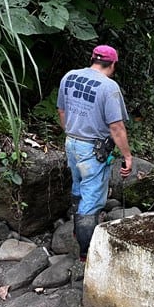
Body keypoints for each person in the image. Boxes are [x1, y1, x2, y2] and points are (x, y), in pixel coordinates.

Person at [57, 45, 133, 260]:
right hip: (93, 148)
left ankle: (76, 229)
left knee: (78, 184)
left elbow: (61, 111)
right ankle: (86, 251)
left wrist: (72, 133)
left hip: (72, 141)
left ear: (92, 58)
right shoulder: (109, 87)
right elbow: (116, 127)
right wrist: (127, 156)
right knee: (91, 198)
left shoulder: (70, 76)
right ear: (113, 64)